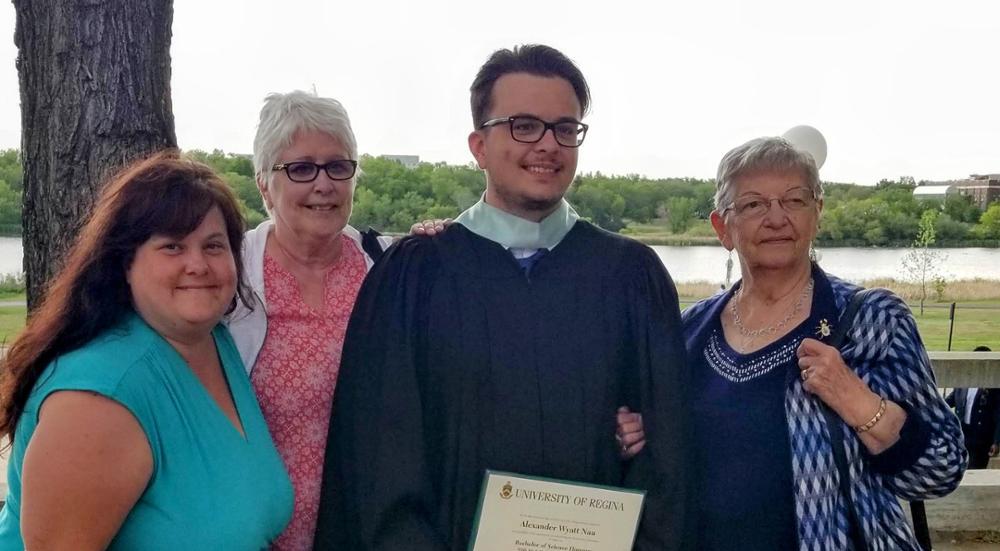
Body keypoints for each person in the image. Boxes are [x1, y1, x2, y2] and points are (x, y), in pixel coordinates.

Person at [314, 44, 691, 550]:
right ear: (478, 146)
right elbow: (381, 459)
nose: (547, 144)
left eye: (564, 128)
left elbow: (666, 456)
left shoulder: (630, 276)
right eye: (524, 125)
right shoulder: (415, 277)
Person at [677, 136, 966, 549]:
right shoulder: (690, 329)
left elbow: (942, 469)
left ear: (818, 213)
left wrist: (860, 404)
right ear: (723, 227)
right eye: (754, 204)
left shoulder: (873, 320)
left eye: (795, 200)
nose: (777, 218)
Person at [0, 152, 293, 548]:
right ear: (125, 263)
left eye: (213, 246)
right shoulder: (98, 400)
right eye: (172, 247)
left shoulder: (213, 341)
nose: (198, 265)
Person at [226, 91, 391, 550]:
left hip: (364, 530)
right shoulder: (227, 277)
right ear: (263, 184)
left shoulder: (388, 271)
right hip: (256, 535)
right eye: (300, 169)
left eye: (339, 166)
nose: (324, 184)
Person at [945, 345, 1000, 469]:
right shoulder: (964, 381)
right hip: (962, 435)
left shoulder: (994, 387)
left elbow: (998, 415)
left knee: (973, 469)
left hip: (981, 439)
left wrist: (996, 442)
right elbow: (950, 400)